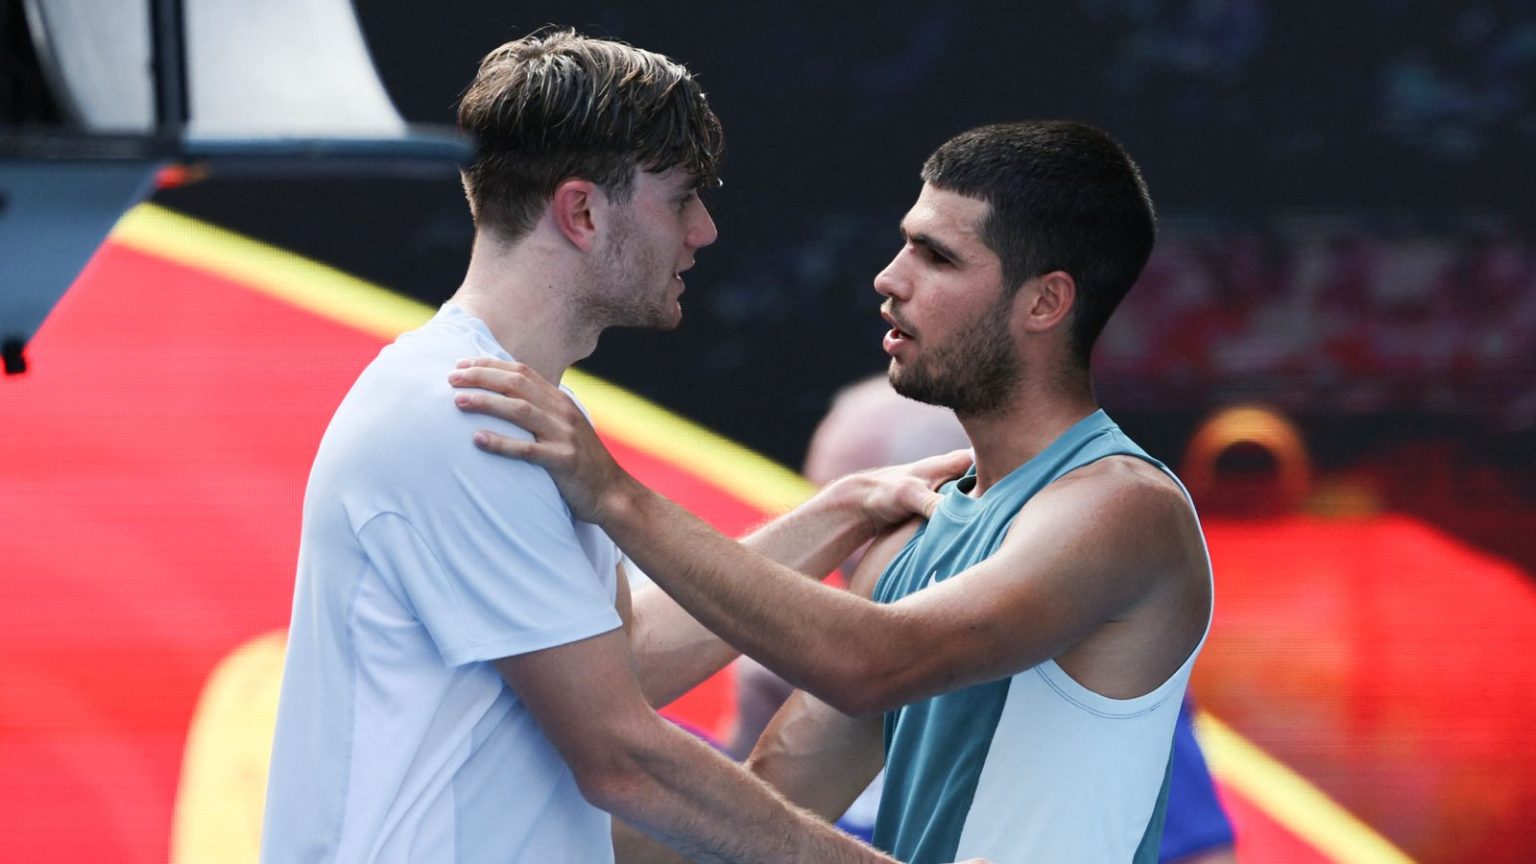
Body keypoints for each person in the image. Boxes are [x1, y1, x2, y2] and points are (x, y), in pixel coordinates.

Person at [261, 29, 982, 864]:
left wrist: (848, 510)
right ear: (582, 211)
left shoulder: (517, 405)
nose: (705, 230)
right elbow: (623, 758)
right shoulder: (462, 411)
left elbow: (620, 660)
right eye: (682, 198)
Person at [451, 119, 1216, 863]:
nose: (889, 278)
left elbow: (871, 661)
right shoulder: (909, 543)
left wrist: (614, 494)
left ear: (1046, 303)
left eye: (937, 256)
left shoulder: (1125, 507)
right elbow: (760, 805)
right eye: (905, 242)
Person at [729, 375, 1236, 861]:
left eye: (868, 516)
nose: (835, 553)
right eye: (825, 508)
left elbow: (1199, 854)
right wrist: (752, 740)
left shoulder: (1095, 665)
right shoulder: (794, 675)